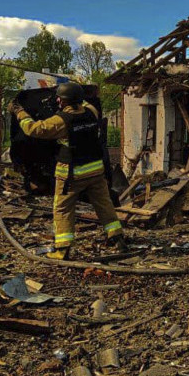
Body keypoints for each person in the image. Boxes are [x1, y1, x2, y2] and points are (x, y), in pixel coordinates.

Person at [8, 81, 125, 259]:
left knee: (62, 209)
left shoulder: (62, 120)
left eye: (59, 98)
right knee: (104, 204)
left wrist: (19, 112)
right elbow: (82, 103)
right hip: (96, 172)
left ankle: (63, 249)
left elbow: (33, 129)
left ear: (63, 101)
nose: (57, 101)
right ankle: (116, 236)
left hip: (72, 175)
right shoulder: (91, 111)